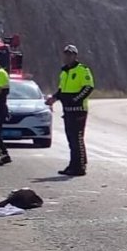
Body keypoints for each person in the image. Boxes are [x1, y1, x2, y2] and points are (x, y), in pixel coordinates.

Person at [46, 44, 93, 176]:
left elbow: (88, 88)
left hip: (78, 110)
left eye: (70, 54)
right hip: (67, 111)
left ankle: (80, 166)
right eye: (66, 54)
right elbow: (62, 91)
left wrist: (75, 100)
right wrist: (54, 98)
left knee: (77, 138)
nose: (67, 57)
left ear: (75, 56)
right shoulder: (64, 72)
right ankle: (73, 165)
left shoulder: (82, 70)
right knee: (70, 138)